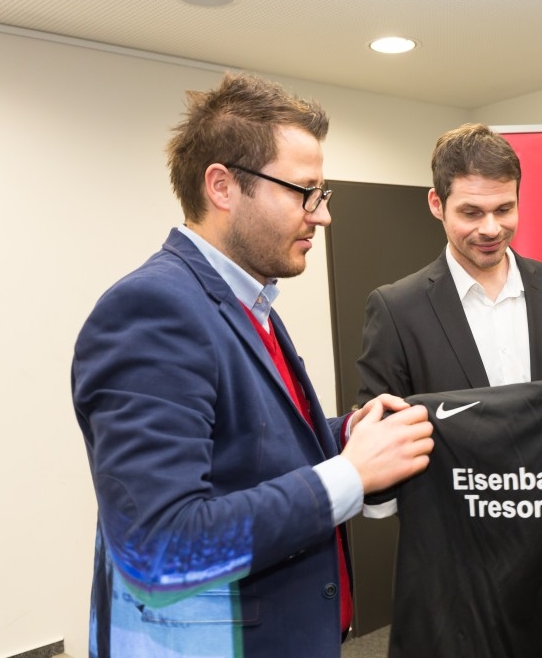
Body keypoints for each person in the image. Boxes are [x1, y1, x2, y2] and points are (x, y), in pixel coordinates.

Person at [71, 72, 434, 658]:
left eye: (323, 194)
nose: (321, 216)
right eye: (304, 192)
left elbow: (246, 448)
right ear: (222, 186)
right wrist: (351, 474)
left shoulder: (249, 301)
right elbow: (161, 546)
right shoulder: (152, 308)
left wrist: (347, 434)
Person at [355, 122, 542, 404]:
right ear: (437, 204)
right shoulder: (396, 310)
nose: (491, 229)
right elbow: (380, 421)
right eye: (471, 213)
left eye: (504, 209)